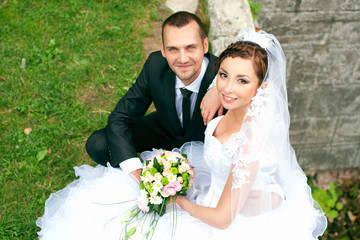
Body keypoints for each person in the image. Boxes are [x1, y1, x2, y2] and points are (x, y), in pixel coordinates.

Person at [37, 30, 327, 239]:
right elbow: (231, 75)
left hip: (226, 217)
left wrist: (180, 202)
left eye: (242, 81)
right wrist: (214, 89)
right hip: (208, 182)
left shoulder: (250, 140)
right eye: (224, 75)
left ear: (261, 88)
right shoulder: (224, 96)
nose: (228, 88)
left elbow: (224, 220)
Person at [85, 11, 222, 181]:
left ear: (205, 45)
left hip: (204, 145)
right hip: (165, 130)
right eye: (173, 49)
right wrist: (135, 170)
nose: (183, 58)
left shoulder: (224, 75)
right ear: (163, 50)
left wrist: (219, 86)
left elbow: (260, 73)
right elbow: (120, 118)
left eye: (190, 47)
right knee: (98, 143)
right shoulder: (155, 65)